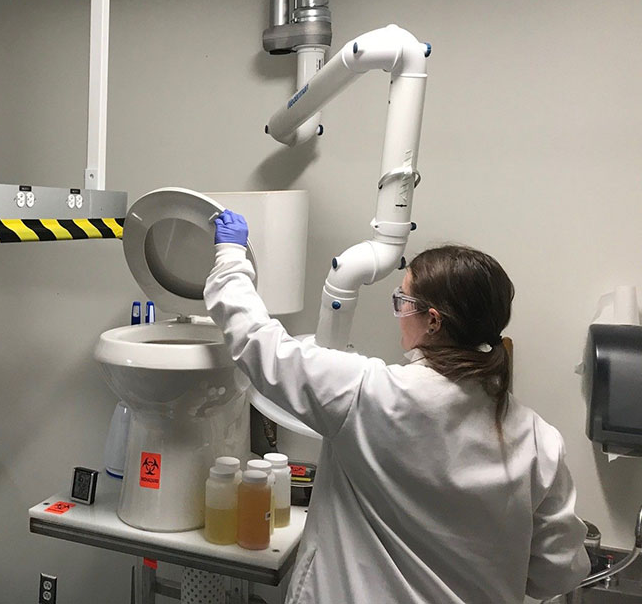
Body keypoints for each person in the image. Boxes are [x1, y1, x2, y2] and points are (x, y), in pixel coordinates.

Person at [204, 209, 590, 604]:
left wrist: (231, 258)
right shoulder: (540, 441)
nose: (398, 313)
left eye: (402, 301)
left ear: (433, 322)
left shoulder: (370, 394)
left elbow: (257, 341)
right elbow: (555, 573)